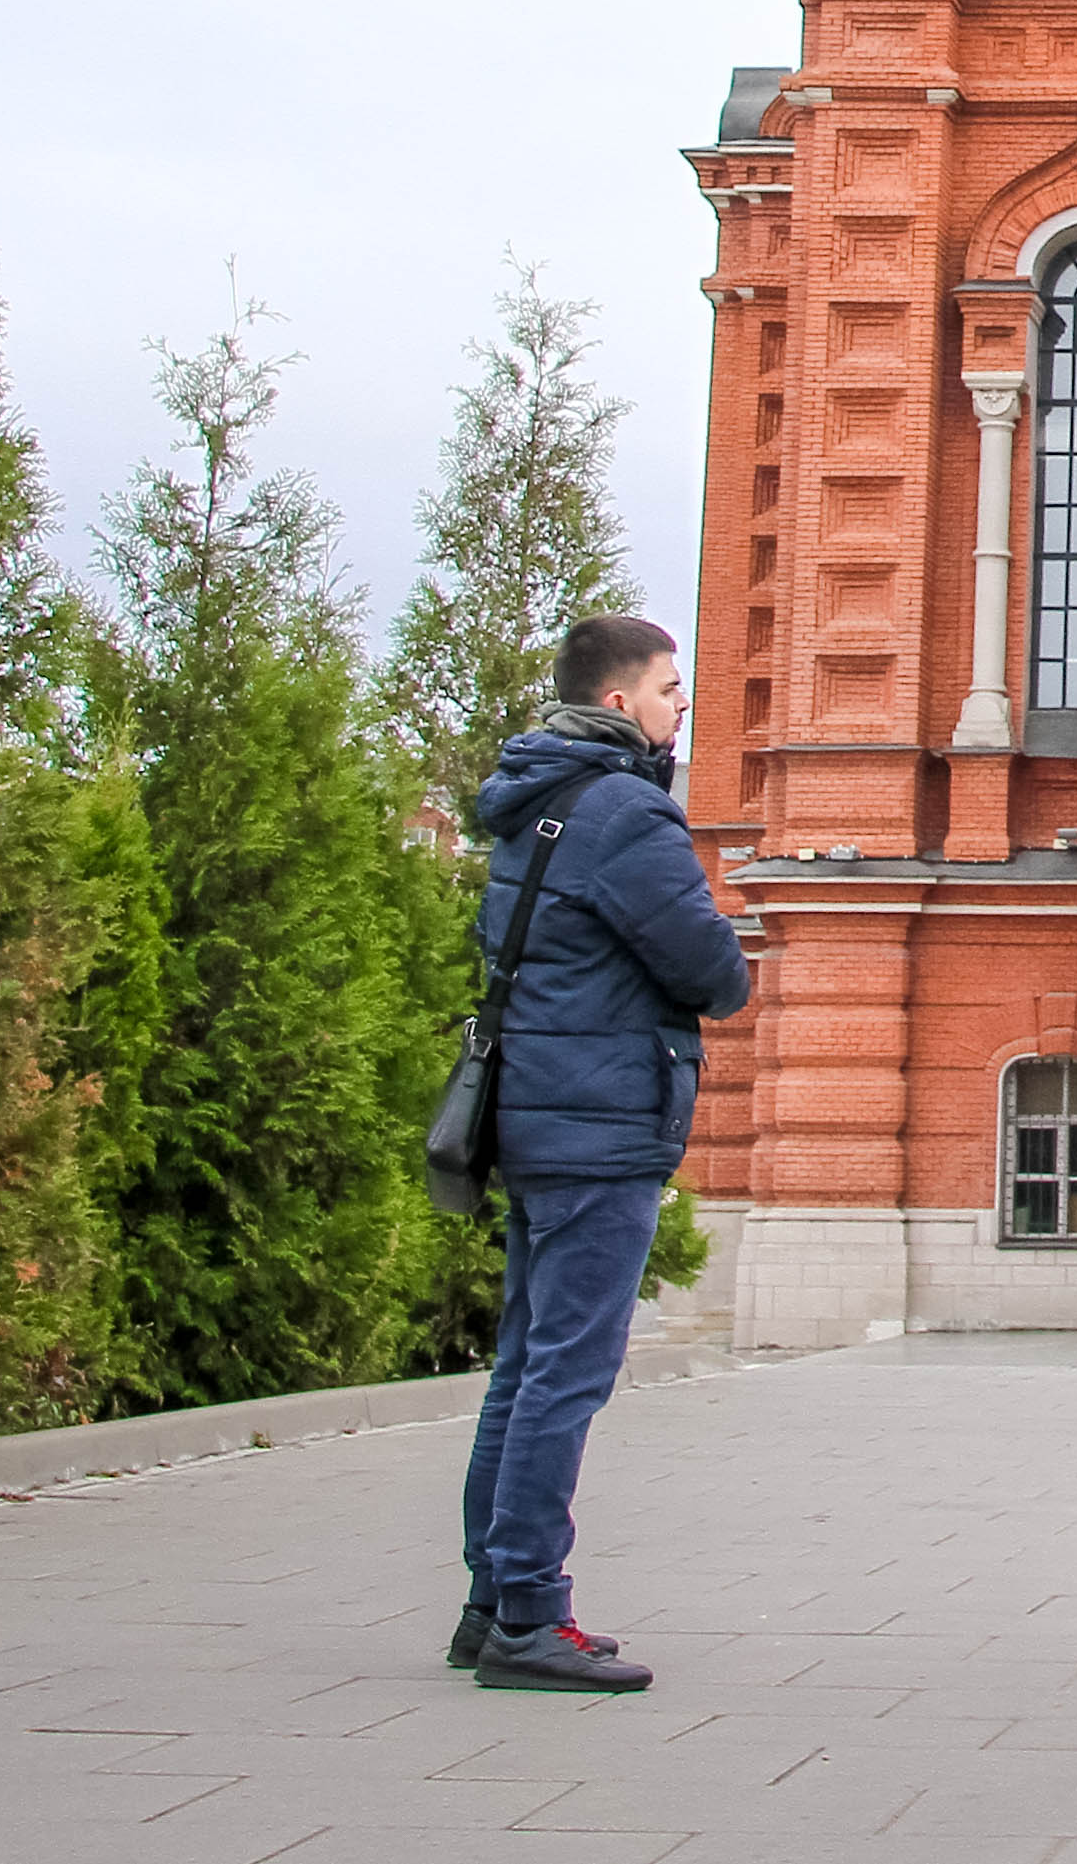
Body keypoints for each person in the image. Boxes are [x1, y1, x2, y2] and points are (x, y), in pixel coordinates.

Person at [451, 613, 751, 1694]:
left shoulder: (530, 802)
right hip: (601, 1122)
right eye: (672, 689)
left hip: (536, 1116)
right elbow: (713, 967)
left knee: (524, 1365)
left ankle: (491, 1603)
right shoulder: (627, 810)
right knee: (567, 1373)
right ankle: (532, 1613)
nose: (682, 708)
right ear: (620, 701)